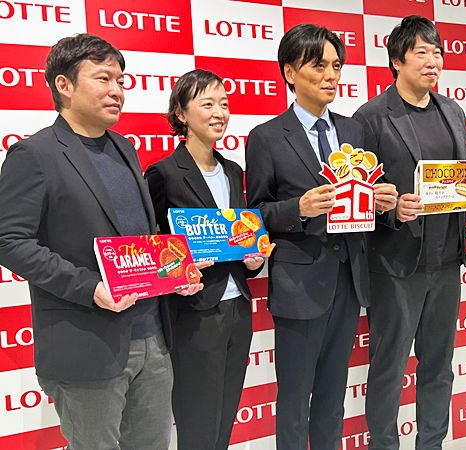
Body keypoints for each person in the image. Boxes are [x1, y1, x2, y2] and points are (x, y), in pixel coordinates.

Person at [0, 34, 205, 450]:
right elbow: (9, 241)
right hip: (86, 344)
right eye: (103, 78)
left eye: (121, 80)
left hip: (153, 337)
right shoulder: (34, 154)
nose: (117, 90)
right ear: (64, 85)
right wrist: (90, 288)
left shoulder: (124, 147)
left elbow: (138, 238)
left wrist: (174, 269)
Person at [245, 23, 398, 450]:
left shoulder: (354, 131)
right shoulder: (266, 137)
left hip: (348, 279)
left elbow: (363, 197)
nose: (331, 75)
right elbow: (254, 214)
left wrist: (380, 201)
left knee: (333, 398)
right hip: (299, 285)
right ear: (290, 72)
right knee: (295, 401)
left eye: (336, 66)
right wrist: (299, 207)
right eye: (318, 66)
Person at [352, 16, 466, 450]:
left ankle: (431, 444)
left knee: (439, 366)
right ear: (397, 60)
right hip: (395, 264)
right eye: (422, 52)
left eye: (437, 52)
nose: (433, 61)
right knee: (389, 368)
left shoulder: (452, 110)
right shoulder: (371, 117)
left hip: (447, 261)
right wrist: (392, 210)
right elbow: (357, 198)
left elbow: (461, 182)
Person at [145, 69, 268, 450]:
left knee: (225, 417)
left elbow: (241, 237)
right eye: (208, 103)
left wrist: (254, 260)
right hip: (194, 313)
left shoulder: (233, 171)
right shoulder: (164, 173)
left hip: (238, 309)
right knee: (197, 422)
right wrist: (180, 266)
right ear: (181, 114)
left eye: (224, 104)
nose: (220, 113)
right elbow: (152, 248)